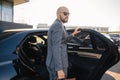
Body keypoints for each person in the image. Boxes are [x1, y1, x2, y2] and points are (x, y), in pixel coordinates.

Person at [46, 6, 80, 80]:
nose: (67, 16)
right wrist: (59, 69)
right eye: (65, 13)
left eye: (68, 14)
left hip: (54, 63)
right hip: (57, 65)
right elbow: (56, 48)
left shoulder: (60, 25)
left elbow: (63, 41)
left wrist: (73, 34)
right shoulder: (58, 25)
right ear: (58, 14)